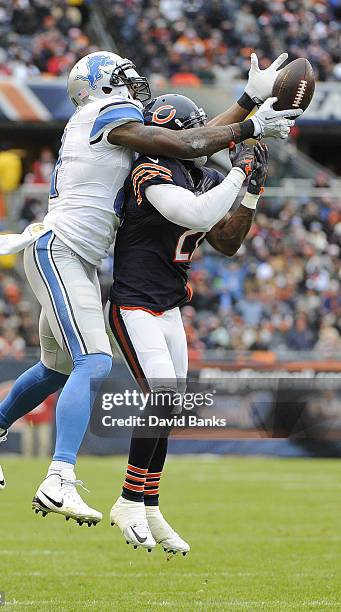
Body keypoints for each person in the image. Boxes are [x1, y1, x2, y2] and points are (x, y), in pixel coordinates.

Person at [0, 50, 298, 528]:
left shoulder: (110, 121)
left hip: (74, 256)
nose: (135, 84)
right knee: (94, 361)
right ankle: (59, 477)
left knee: (56, 369)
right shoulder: (103, 114)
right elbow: (185, 143)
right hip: (61, 250)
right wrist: (249, 126)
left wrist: (249, 100)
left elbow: (186, 140)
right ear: (100, 84)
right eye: (124, 77)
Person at [106, 94, 269, 554]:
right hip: (134, 304)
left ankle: (150, 505)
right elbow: (195, 214)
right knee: (159, 395)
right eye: (193, 132)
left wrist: (252, 191)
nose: (201, 141)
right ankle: (127, 500)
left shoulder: (201, 175)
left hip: (169, 307)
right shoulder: (149, 170)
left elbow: (226, 241)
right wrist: (239, 172)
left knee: (170, 406)